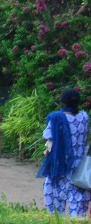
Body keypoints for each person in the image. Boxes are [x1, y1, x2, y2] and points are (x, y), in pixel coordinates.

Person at [38, 88, 90, 216]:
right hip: (79, 167)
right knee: (77, 202)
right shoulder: (84, 116)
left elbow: (47, 136)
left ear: (62, 102)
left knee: (54, 200)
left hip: (60, 166)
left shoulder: (56, 118)